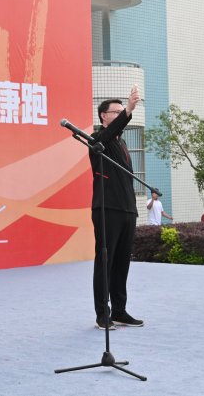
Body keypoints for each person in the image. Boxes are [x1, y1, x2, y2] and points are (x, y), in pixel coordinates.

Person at [90, 86, 143, 330]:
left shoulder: (121, 144)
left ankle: (120, 310)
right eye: (117, 111)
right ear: (104, 116)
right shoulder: (98, 139)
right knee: (106, 261)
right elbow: (109, 134)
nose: (121, 114)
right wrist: (129, 109)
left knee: (122, 263)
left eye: (123, 111)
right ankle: (103, 313)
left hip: (127, 209)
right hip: (107, 208)